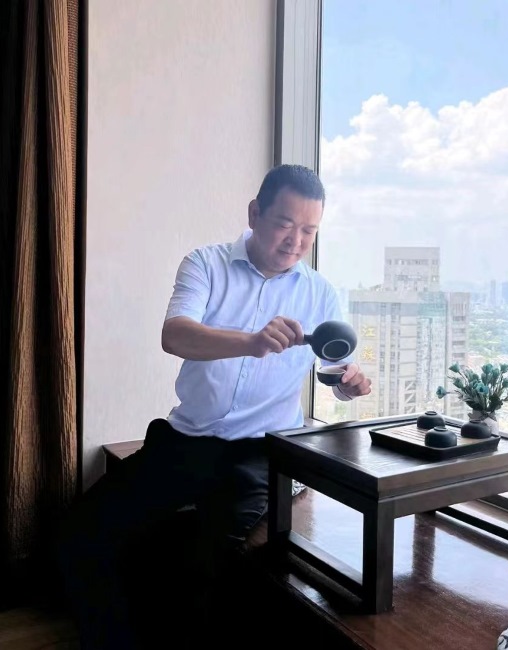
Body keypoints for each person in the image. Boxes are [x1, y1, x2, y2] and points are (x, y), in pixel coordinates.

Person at [57, 164, 371, 649]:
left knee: (206, 565)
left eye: (309, 231)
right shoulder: (205, 264)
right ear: (255, 213)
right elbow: (175, 335)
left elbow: (336, 372)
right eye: (285, 224)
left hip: (262, 452)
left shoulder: (320, 293)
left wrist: (349, 385)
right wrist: (251, 341)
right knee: (82, 533)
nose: (296, 241)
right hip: (186, 438)